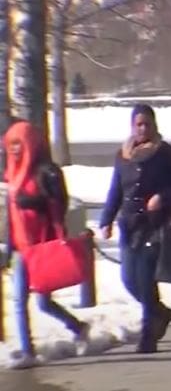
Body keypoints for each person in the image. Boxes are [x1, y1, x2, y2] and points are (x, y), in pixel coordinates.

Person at [98, 104, 171, 353]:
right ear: (132, 126)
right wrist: (106, 219)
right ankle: (162, 312)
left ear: (154, 125)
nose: (142, 128)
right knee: (129, 279)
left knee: (146, 279)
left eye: (147, 124)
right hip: (130, 225)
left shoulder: (166, 153)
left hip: (155, 224)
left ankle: (148, 337)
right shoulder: (123, 155)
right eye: (138, 124)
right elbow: (116, 189)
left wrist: (162, 197)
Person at [6, 121, 90, 369]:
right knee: (19, 300)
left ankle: (78, 326)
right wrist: (9, 246)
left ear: (31, 143)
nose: (15, 149)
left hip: (42, 246)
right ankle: (27, 350)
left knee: (43, 302)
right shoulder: (14, 172)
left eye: (19, 144)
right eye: (11, 144)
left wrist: (34, 202)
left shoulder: (47, 171)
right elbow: (12, 215)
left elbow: (59, 204)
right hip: (22, 248)